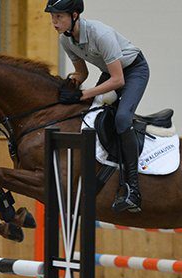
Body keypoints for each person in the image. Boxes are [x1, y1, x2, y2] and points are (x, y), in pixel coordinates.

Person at [46, 0, 149, 213]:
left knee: (121, 118)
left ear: (74, 15)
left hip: (133, 71)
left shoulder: (100, 34)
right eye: (52, 17)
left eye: (59, 17)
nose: (54, 22)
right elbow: (81, 73)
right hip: (111, 73)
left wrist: (84, 94)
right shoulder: (66, 40)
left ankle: (133, 190)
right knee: (90, 115)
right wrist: (68, 84)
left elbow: (119, 80)